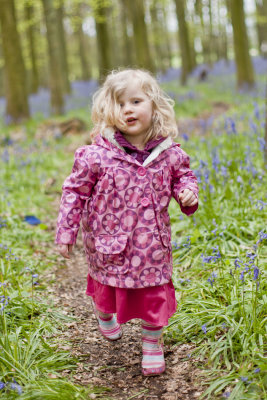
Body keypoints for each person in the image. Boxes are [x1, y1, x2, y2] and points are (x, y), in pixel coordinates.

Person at [56, 69, 199, 376]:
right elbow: (74, 192)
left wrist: (187, 193)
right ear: (109, 111)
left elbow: (183, 177)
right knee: (108, 289)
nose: (128, 109)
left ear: (154, 106)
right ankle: (105, 314)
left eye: (136, 101)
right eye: (120, 104)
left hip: (152, 246)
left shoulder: (170, 153)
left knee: (154, 295)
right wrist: (67, 231)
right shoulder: (95, 156)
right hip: (110, 243)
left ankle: (152, 345)